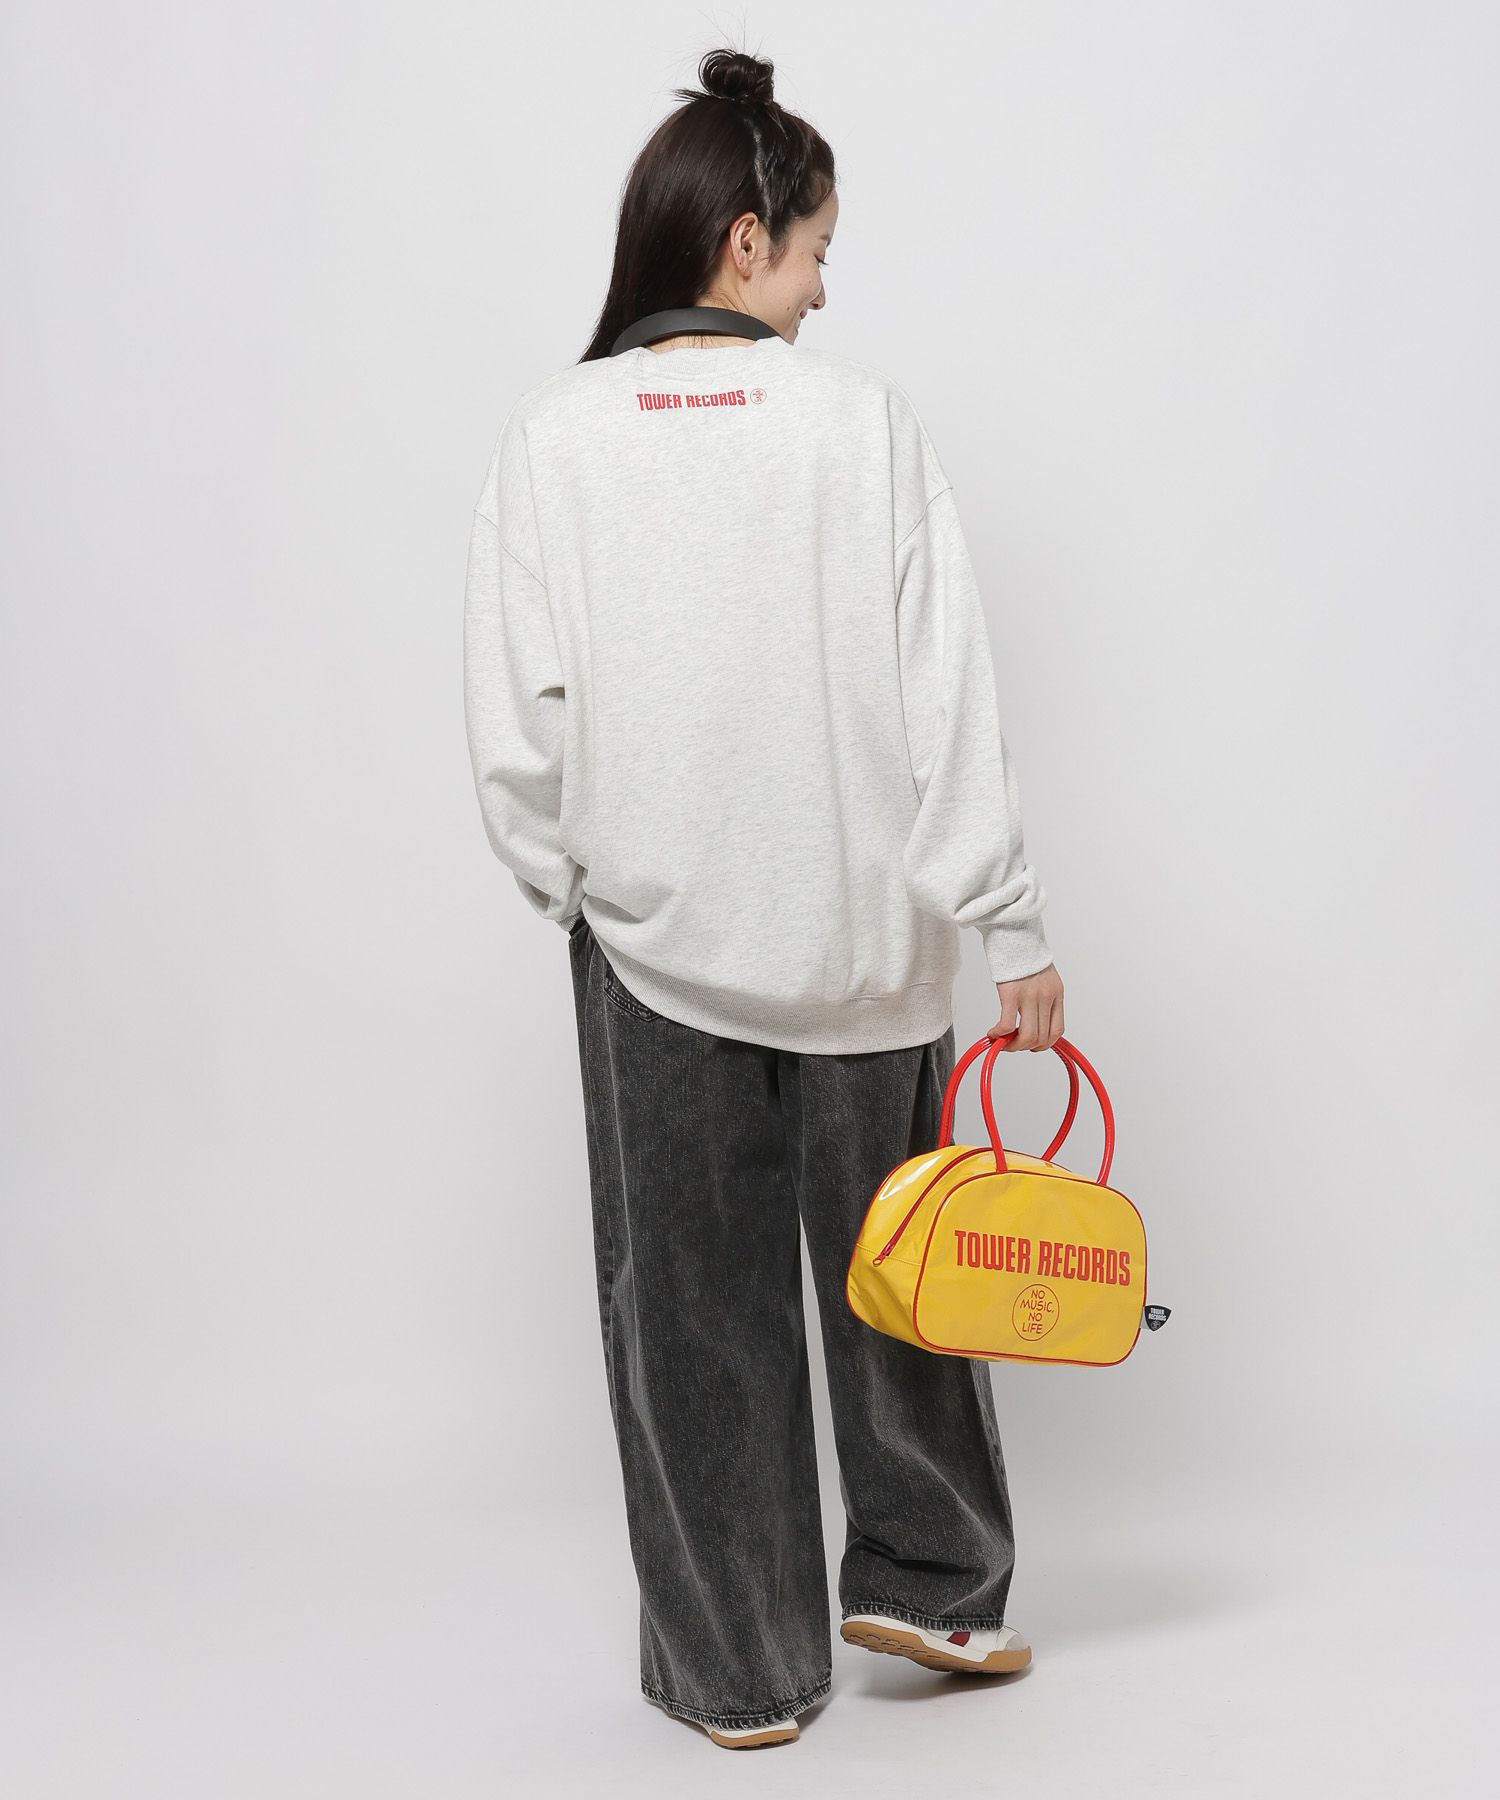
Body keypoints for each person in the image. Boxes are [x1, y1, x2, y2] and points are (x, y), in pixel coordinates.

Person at [462, 44, 1065, 1750]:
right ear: (745, 243)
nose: (819, 292)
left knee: (691, 1313)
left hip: (654, 951)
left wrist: (570, 887)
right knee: (906, 1274)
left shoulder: (553, 438)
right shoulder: (864, 428)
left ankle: (739, 1671)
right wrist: (1009, 923)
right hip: (869, 944)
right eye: (813, 254)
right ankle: (930, 1585)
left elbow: (517, 723)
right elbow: (949, 695)